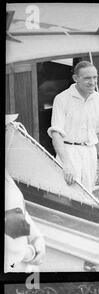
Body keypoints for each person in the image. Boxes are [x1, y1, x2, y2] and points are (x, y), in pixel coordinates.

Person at [47, 61, 99, 193]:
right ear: (75, 78)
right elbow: (56, 134)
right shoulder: (62, 99)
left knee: (88, 195)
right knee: (68, 195)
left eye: (95, 77)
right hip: (68, 152)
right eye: (87, 78)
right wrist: (66, 164)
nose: (92, 82)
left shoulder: (98, 98)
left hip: (90, 152)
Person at [5, 114, 46, 272]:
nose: (12, 133)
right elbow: (12, 247)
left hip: (22, 265)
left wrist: (37, 237)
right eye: (8, 129)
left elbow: (18, 213)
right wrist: (31, 252)